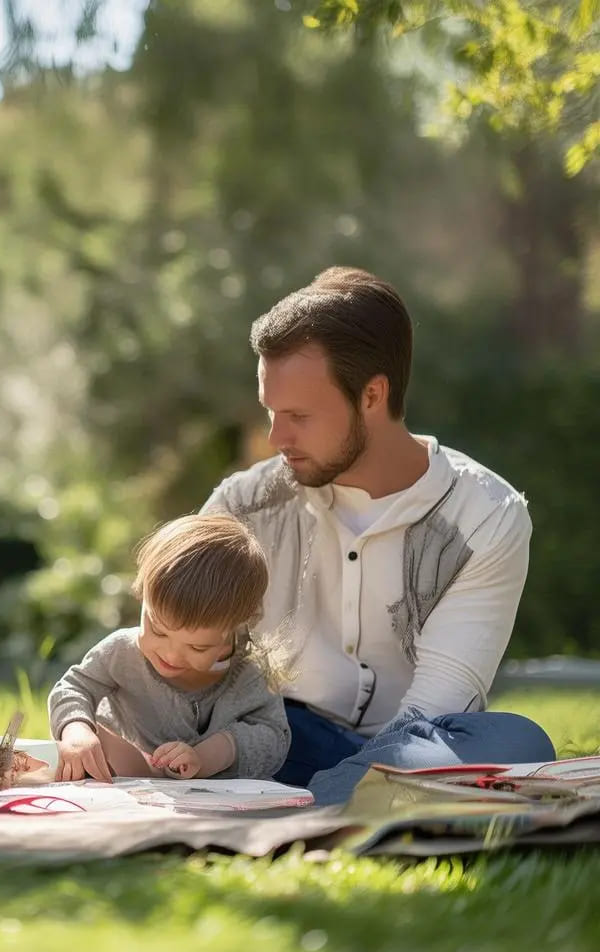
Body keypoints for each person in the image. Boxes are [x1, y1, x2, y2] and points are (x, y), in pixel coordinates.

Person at [202, 266, 555, 804]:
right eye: (271, 412)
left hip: (414, 748)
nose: (276, 438)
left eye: (298, 415)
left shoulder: (484, 515)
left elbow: (439, 707)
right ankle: (350, 803)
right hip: (275, 739)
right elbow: (166, 644)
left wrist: (381, 766)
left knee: (520, 741)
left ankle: (307, 804)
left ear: (372, 396)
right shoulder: (245, 504)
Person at [48, 514, 289, 782]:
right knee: (91, 739)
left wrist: (211, 754)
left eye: (198, 647)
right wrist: (76, 729)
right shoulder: (122, 653)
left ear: (235, 628)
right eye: (158, 630)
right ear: (143, 595)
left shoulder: (250, 674)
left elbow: (274, 737)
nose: (171, 655)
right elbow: (74, 687)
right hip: (126, 779)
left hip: (214, 797)